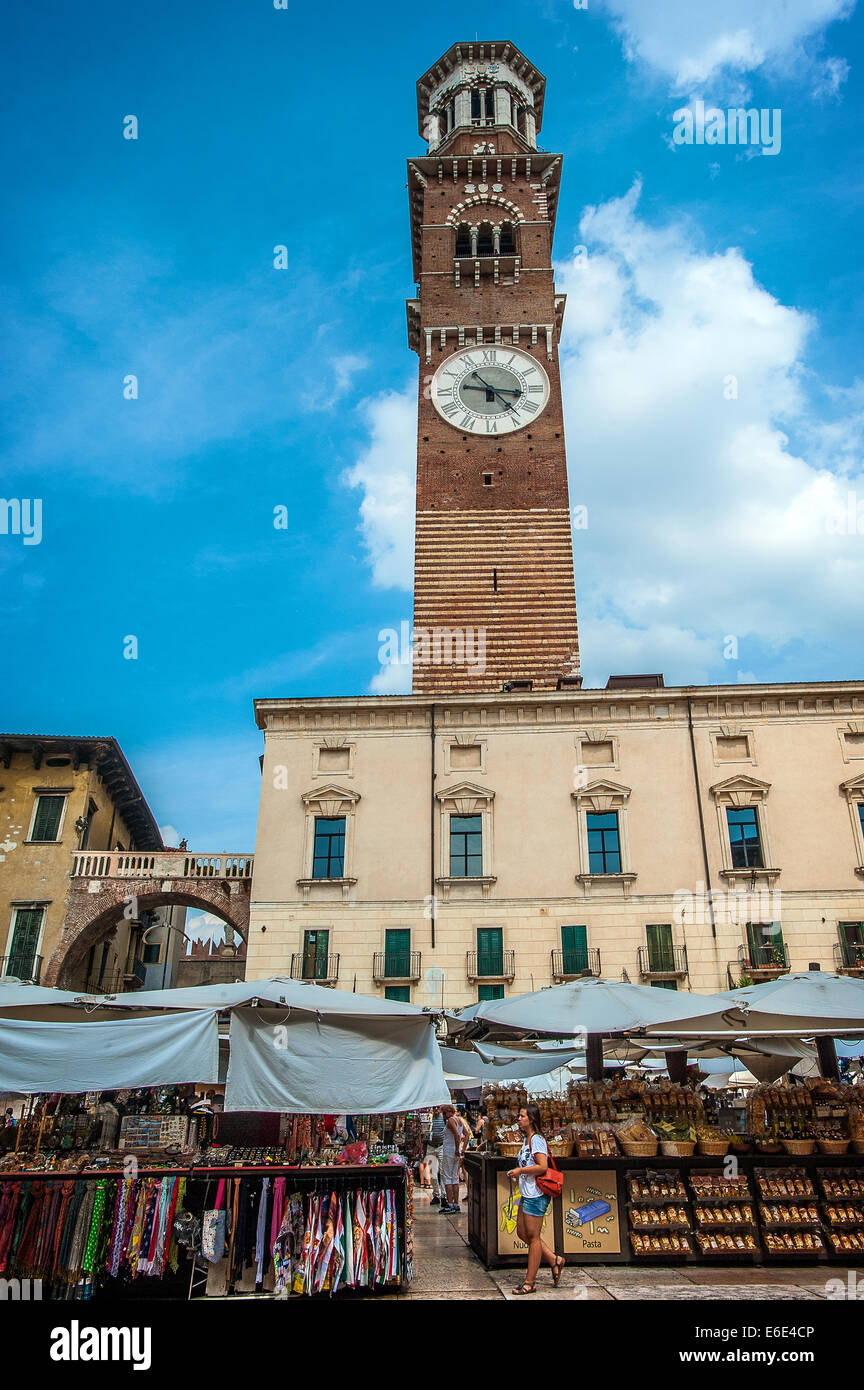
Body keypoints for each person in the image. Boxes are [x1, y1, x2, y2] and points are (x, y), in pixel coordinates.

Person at [507, 1102, 564, 1294]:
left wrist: (520, 1170)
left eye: (522, 1116)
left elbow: (542, 1167)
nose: (519, 1119)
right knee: (522, 1233)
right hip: (526, 1193)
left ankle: (530, 1282)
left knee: (533, 1238)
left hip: (536, 1194)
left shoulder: (536, 1140)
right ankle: (554, 1259)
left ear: (531, 1119)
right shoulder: (526, 1140)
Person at [439, 1104, 464, 1214]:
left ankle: (449, 1204)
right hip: (456, 1151)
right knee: (454, 1177)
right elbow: (466, 1134)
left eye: (444, 1113)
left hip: (449, 1151)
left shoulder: (450, 1120)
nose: (444, 1116)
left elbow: (456, 1134)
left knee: (448, 1177)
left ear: (449, 1112)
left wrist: (456, 1148)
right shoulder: (460, 1120)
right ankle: (456, 1204)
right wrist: (461, 1149)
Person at [427, 1106, 446, 1205]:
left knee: (443, 1172)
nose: (436, 1109)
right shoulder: (429, 1118)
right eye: (434, 1108)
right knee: (432, 1174)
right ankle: (436, 1195)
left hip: (441, 1147)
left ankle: (444, 1195)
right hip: (431, 1147)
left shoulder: (444, 1118)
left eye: (438, 1107)